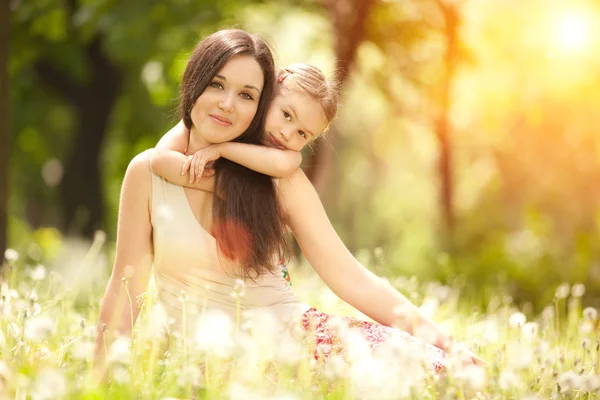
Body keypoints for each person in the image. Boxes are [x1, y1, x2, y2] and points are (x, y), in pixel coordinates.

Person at [149, 63, 482, 370]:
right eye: (286, 114)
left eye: (302, 135)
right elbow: (159, 160)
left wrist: (445, 343)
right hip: (206, 355)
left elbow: (351, 278)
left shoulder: (283, 180)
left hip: (284, 337)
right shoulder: (186, 143)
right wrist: (215, 169)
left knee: (434, 369)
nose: (286, 135)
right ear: (269, 88)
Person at [94, 28, 281, 366]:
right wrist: (96, 383)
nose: (227, 104)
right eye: (217, 84)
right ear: (195, 82)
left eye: (247, 95)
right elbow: (126, 287)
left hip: (277, 360)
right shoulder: (149, 172)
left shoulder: (270, 180)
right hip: (192, 370)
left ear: (260, 109)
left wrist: (408, 318)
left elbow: (344, 272)